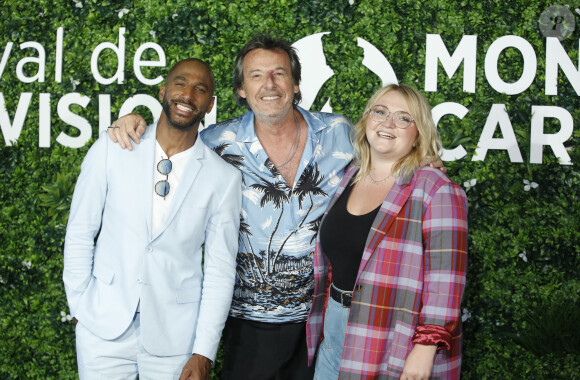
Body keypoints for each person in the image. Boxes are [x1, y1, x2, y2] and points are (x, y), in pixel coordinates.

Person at [107, 34, 354, 379]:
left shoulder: (339, 133)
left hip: (323, 321)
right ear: (241, 89)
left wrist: (426, 160)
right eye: (256, 76)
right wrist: (132, 122)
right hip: (247, 326)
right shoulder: (213, 144)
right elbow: (166, 145)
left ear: (296, 84)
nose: (269, 84)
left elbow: (390, 155)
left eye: (279, 74)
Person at [63, 58, 242, 380]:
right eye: (180, 83)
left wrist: (203, 351)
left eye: (200, 89)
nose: (187, 94)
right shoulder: (113, 147)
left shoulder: (223, 178)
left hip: (175, 338)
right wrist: (80, 306)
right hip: (102, 327)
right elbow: (79, 230)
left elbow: (220, 269)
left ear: (210, 104)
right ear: (163, 90)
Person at [305, 84, 468, 379]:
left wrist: (425, 348)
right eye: (380, 112)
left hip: (393, 336)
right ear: (367, 119)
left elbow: (446, 282)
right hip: (334, 330)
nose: (388, 123)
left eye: (404, 118)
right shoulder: (349, 176)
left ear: (418, 132)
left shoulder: (436, 188)